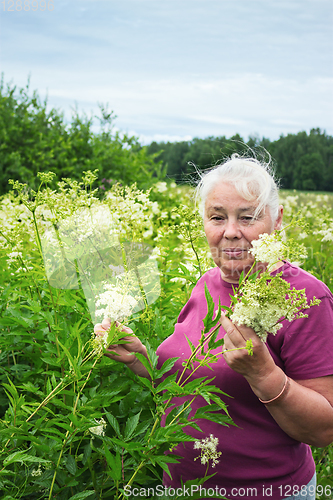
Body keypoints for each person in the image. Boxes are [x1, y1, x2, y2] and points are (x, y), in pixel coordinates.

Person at [94, 155, 333, 500]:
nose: (231, 231)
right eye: (217, 217)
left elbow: (324, 429)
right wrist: (141, 362)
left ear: (277, 220)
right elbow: (192, 377)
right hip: (181, 487)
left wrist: (263, 374)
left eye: (248, 217)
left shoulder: (304, 297)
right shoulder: (206, 283)